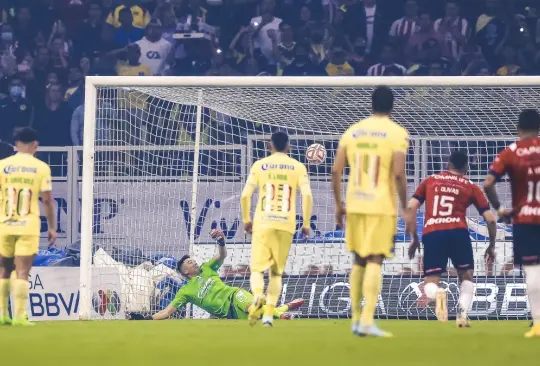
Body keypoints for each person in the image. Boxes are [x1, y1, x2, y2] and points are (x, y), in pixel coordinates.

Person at [332, 86, 413, 337]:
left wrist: (338, 205)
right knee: (375, 258)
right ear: (392, 106)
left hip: (355, 203)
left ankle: (356, 319)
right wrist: (404, 207)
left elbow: (335, 171)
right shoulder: (397, 133)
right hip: (381, 206)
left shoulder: (352, 131)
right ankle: (367, 320)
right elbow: (398, 173)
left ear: (371, 104)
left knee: (358, 259)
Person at [127, 230, 304, 321]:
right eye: (189, 263)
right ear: (184, 271)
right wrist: (147, 318)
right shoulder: (186, 291)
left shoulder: (207, 268)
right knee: (262, 318)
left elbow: (222, 255)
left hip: (234, 296)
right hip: (230, 315)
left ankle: (282, 314)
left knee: (253, 307)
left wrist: (221, 242)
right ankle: (286, 308)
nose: (194, 262)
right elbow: (167, 312)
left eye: (193, 260)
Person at [408, 150, 497, 327]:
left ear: (448, 164)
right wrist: (491, 245)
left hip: (433, 233)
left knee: (430, 282)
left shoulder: (430, 180)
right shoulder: (470, 186)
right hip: (458, 233)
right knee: (466, 277)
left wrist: (414, 237)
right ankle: (462, 316)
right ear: (466, 168)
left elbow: (411, 207)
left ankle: (438, 293)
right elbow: (491, 219)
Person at [240, 131, 313, 327]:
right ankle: (269, 316)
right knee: (276, 273)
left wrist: (247, 219)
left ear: (269, 145)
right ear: (288, 147)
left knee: (256, 269)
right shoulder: (298, 167)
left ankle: (257, 296)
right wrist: (306, 224)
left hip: (263, 222)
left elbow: (245, 195)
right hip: (285, 224)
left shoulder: (259, 165)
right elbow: (307, 196)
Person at [484, 109, 540, 338]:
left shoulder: (511, 152)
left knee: (532, 270)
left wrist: (500, 209)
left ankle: (537, 323)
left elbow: (487, 184)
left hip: (525, 218)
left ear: (518, 128)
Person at [0, 127, 57, 326]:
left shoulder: (2, 165)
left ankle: (2, 315)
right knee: (22, 271)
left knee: (4, 270)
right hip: (27, 226)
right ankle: (20, 316)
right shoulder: (40, 167)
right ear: (35, 145)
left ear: (15, 145)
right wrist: (51, 226)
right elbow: (48, 200)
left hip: (5, 224)